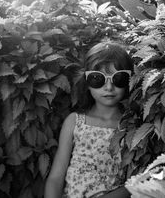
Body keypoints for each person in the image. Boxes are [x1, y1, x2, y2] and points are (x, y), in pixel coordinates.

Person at [44, 42, 133, 198]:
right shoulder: (75, 122)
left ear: (130, 80)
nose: (109, 87)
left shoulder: (132, 126)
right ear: (86, 82)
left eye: (118, 78)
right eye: (98, 79)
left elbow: (133, 185)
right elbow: (56, 178)